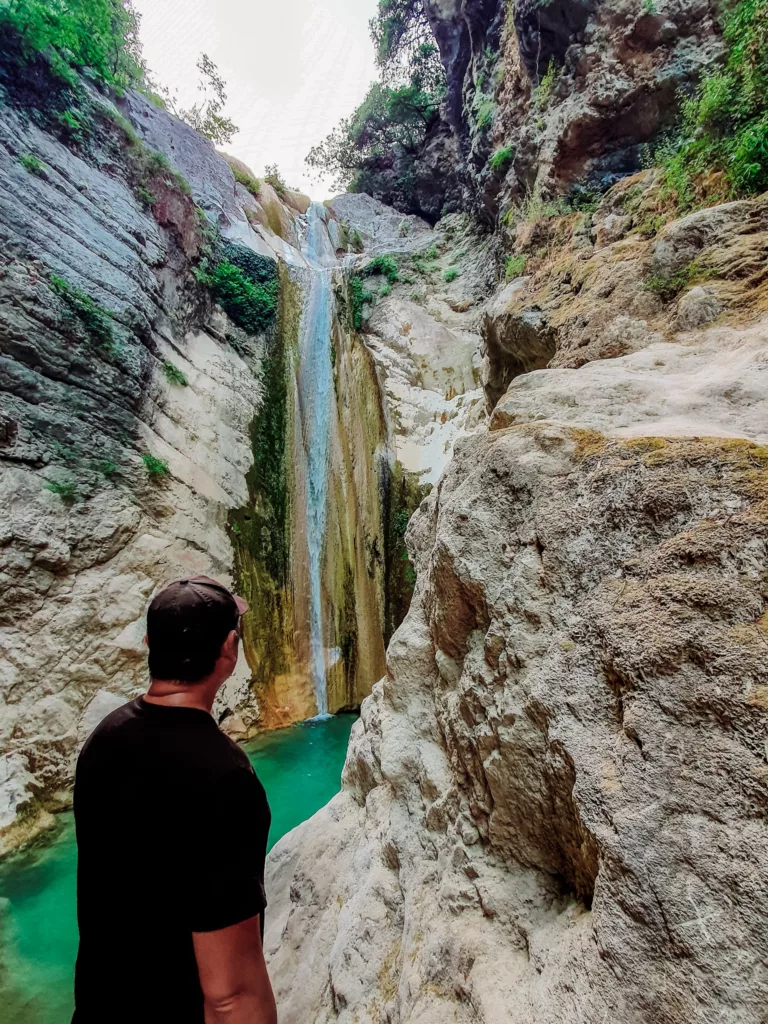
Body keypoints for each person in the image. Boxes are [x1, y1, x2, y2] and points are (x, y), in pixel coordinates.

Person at [72, 576, 277, 1024]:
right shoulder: (225, 779)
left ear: (149, 643)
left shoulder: (103, 739)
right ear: (229, 650)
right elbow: (230, 994)